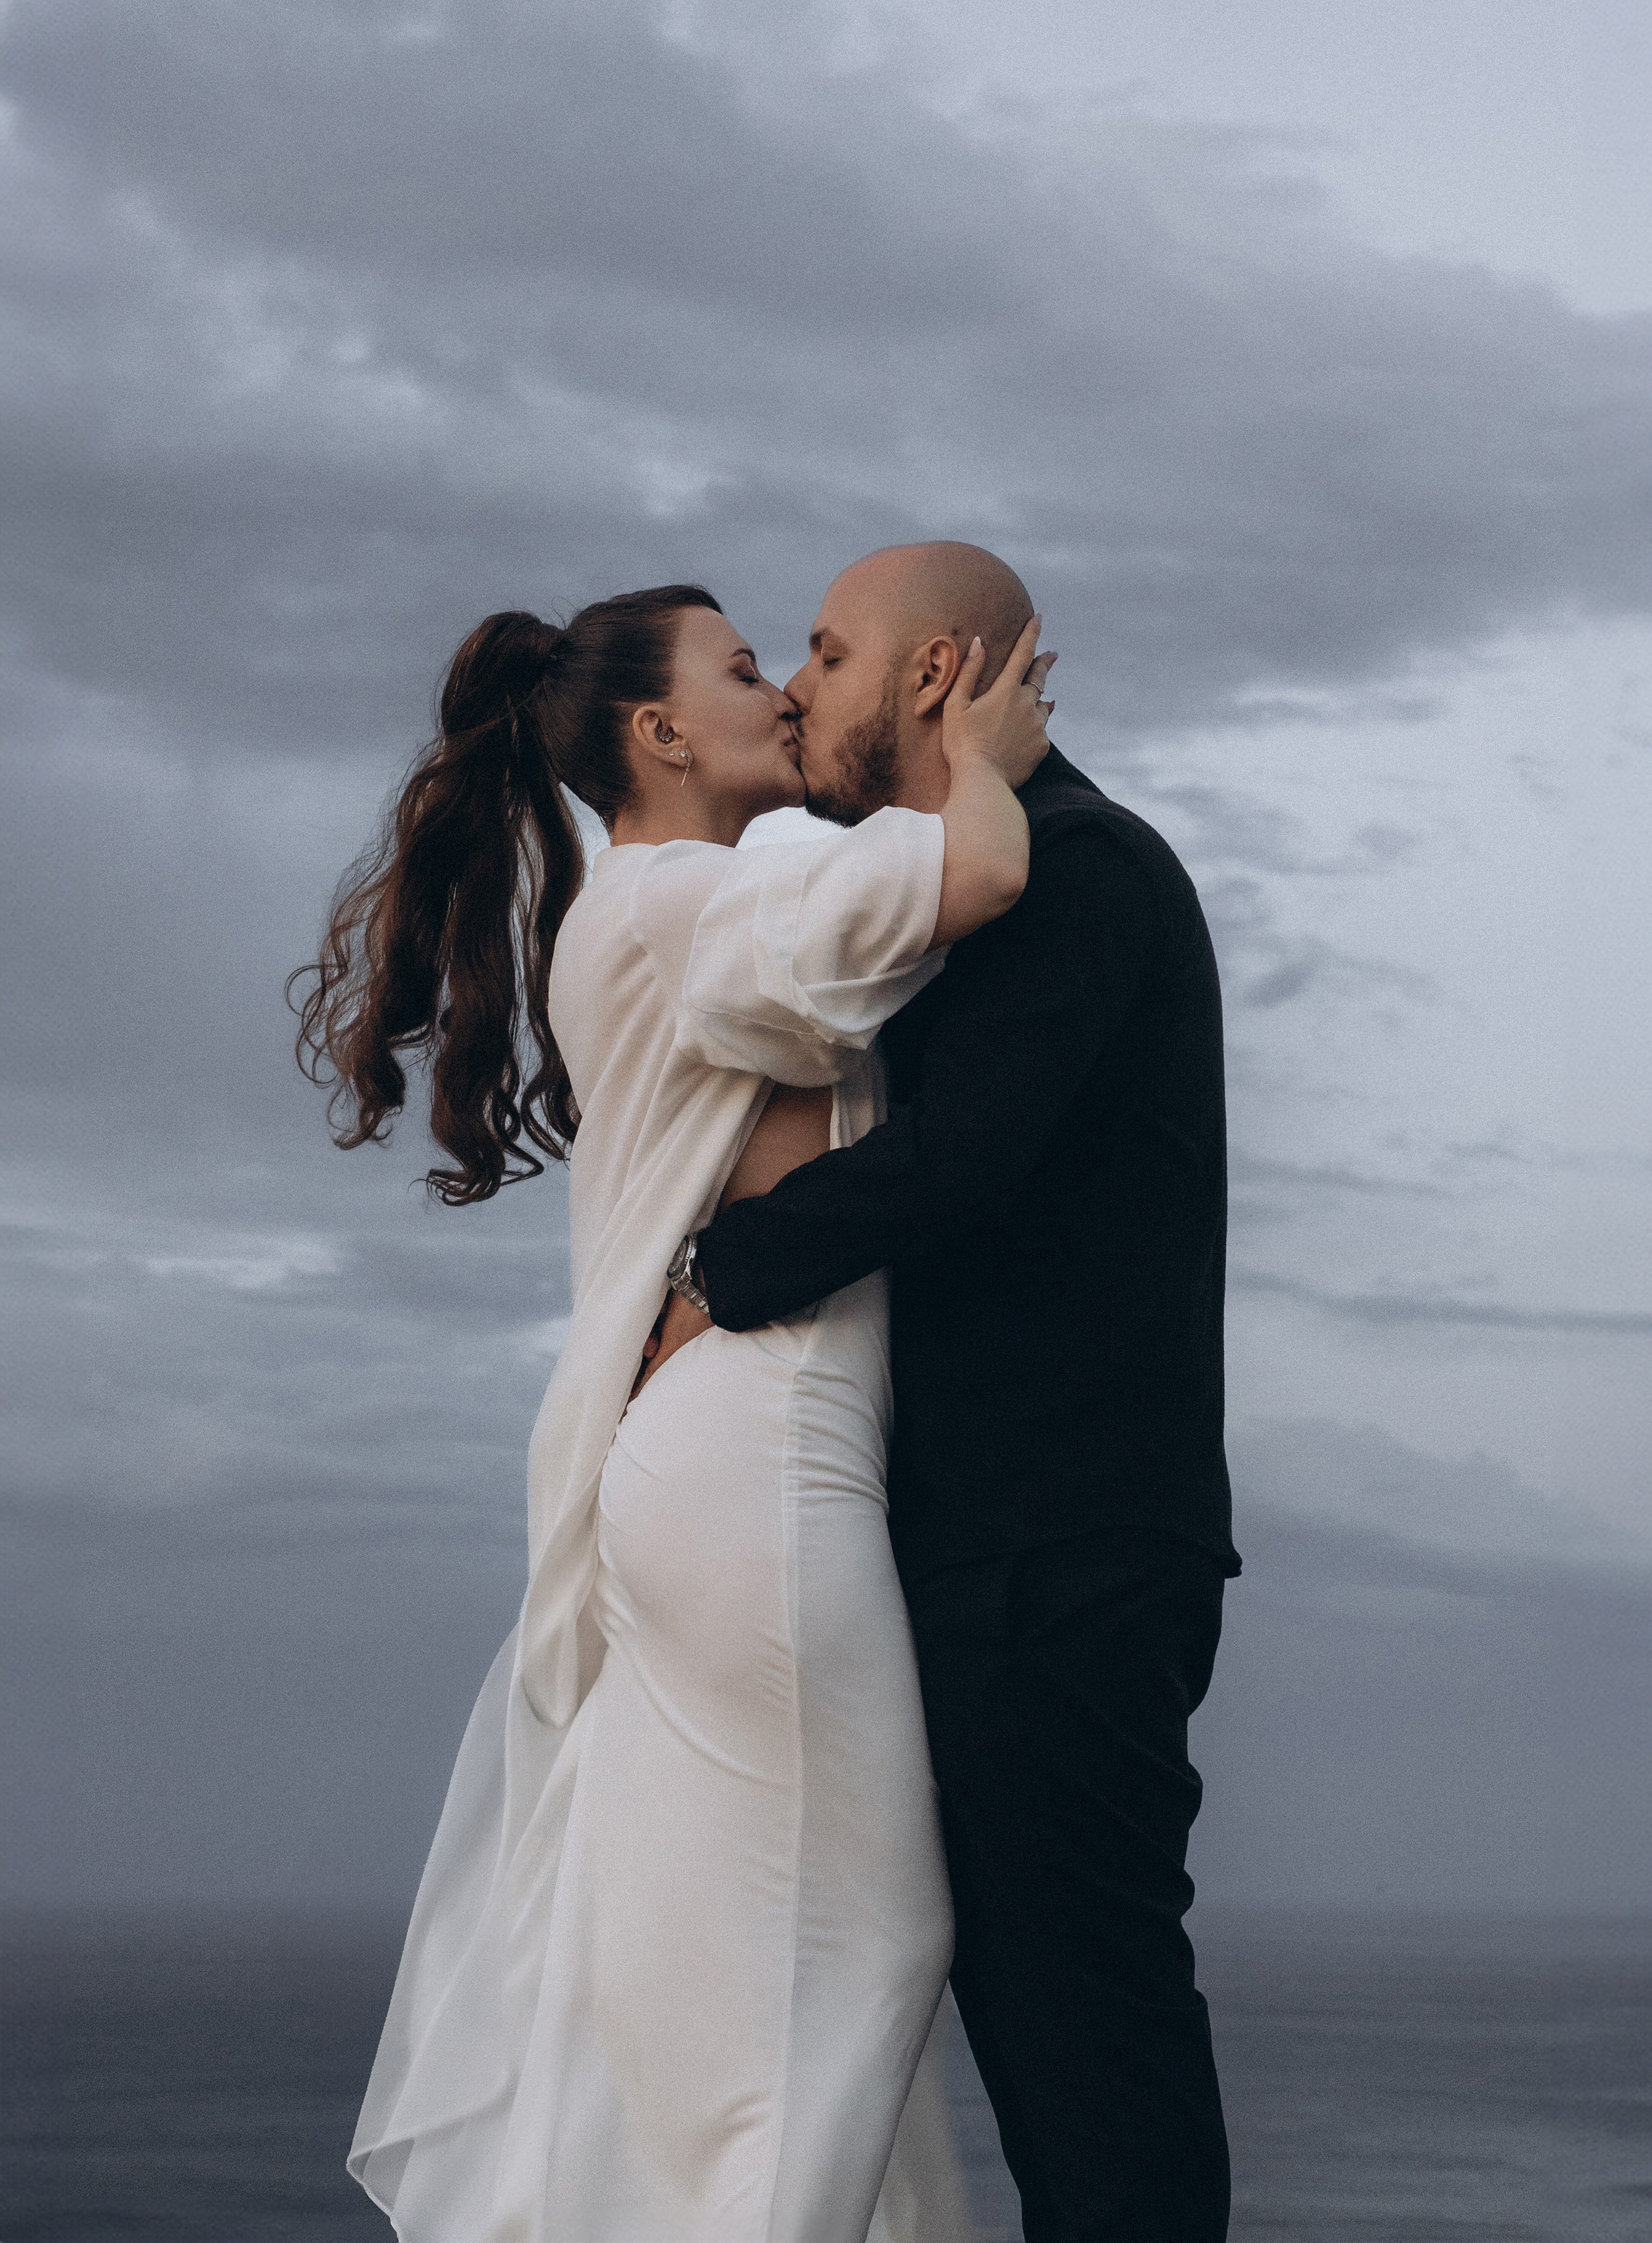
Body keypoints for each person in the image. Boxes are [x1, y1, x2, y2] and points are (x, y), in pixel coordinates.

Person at [290, 581, 1053, 2242]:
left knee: (721, 1969)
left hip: (715, 1455)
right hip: (753, 1454)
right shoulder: (682, 900)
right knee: (868, 1941)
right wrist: (982, 755)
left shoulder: (652, 908)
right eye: (743, 667)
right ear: (659, 734)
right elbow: (978, 873)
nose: (779, 689)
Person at [652, 542, 1241, 2243]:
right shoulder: (981, 879)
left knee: (1090, 2026)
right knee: (1047, 2029)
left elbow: (961, 1164)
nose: (796, 691)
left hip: (1059, 1552)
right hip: (1012, 1545)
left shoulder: (1083, 867)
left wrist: (701, 1274)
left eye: (826, 654)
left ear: (930, 676)